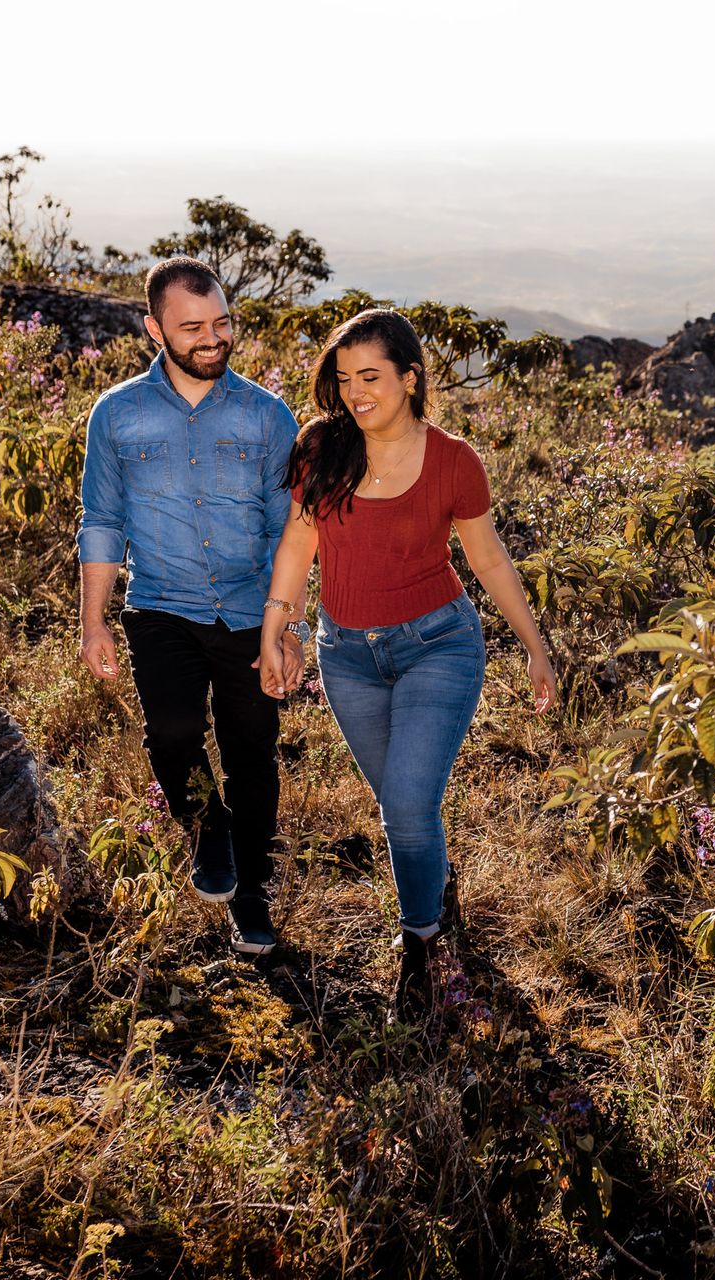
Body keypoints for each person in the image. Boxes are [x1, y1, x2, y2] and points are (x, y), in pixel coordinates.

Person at [256, 307, 556, 1022]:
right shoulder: (322, 447)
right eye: (344, 377)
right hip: (348, 655)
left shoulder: (455, 459)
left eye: (371, 377)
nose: (356, 392)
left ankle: (422, 952)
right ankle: (436, 889)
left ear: (410, 377)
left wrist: (536, 646)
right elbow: (299, 545)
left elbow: (486, 557)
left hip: (437, 645)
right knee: (404, 810)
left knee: (407, 805)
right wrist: (278, 629)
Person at [78, 256, 302, 956]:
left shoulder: (268, 415)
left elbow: (287, 531)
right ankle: (207, 826)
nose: (213, 339)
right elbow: (103, 519)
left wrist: (285, 628)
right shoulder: (117, 414)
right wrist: (93, 620)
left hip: (249, 611)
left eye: (223, 323)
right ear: (154, 328)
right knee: (173, 733)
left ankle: (253, 896)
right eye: (193, 327)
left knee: (253, 752)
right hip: (161, 606)